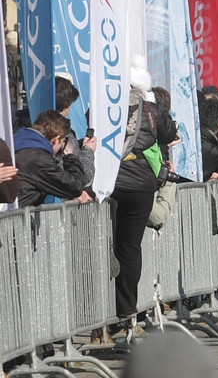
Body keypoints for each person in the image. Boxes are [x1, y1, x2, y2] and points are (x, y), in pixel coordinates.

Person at [111, 62, 178, 333]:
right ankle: (126, 310)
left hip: (110, 183)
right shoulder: (153, 111)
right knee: (129, 248)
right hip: (140, 185)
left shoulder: (108, 106)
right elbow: (170, 134)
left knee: (100, 246)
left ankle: (100, 316)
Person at [16, 110, 96, 207]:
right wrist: (69, 156)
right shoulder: (38, 159)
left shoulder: (17, 143)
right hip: (11, 217)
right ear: (56, 139)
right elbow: (75, 186)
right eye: (62, 141)